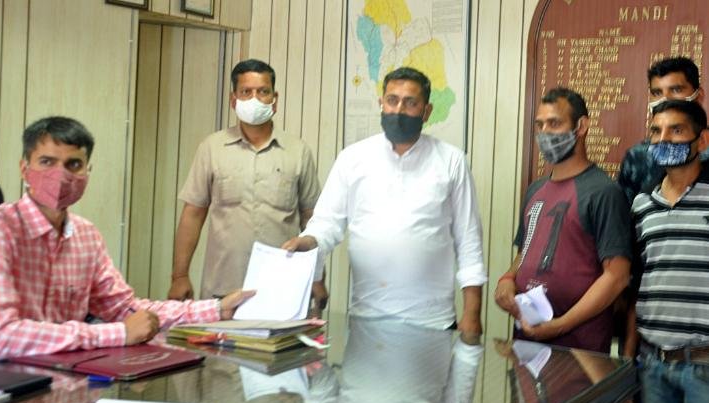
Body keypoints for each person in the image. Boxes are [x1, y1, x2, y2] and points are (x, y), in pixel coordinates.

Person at [0, 116, 255, 365]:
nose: (60, 175)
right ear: (24, 169)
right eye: (47, 162)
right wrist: (117, 333)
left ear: (87, 173)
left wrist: (218, 308)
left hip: (63, 376)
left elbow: (125, 309)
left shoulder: (85, 235)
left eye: (73, 164)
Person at [283, 67, 487, 337]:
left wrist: (472, 315)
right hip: (367, 318)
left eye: (410, 103)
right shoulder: (353, 158)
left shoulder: (451, 161)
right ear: (381, 103)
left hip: (433, 321)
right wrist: (308, 242)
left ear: (426, 111)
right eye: (392, 100)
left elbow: (468, 240)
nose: (399, 110)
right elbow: (327, 224)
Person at [168, 59, 326, 313]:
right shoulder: (212, 148)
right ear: (234, 100)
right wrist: (179, 276)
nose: (255, 99)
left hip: (282, 290)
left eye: (263, 91)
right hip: (223, 288)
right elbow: (193, 214)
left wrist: (317, 276)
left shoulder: (298, 152)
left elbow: (312, 220)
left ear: (274, 99)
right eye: (246, 92)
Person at [494, 87, 632, 353]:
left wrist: (560, 325)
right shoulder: (536, 190)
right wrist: (508, 278)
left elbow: (617, 277)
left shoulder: (604, 192)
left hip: (580, 347)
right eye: (540, 125)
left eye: (555, 123)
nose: (545, 133)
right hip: (527, 339)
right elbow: (526, 250)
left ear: (582, 126)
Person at [631, 99, 709, 403]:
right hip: (653, 364)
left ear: (702, 140)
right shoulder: (641, 203)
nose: (663, 139)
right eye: (656, 131)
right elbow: (637, 281)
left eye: (676, 130)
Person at [618, 56, 704, 203]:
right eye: (657, 93)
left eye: (676, 90)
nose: (665, 99)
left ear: (698, 96)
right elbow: (625, 211)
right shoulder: (638, 156)